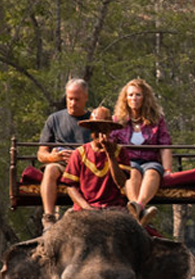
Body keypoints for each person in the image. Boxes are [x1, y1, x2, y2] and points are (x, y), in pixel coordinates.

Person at [110, 78, 172, 223]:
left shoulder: (157, 119)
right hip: (128, 161)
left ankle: (139, 206)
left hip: (150, 160)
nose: (134, 98)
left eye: (138, 94)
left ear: (145, 98)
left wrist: (168, 169)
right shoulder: (117, 120)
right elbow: (111, 145)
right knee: (133, 172)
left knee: (152, 171)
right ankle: (140, 211)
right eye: (130, 95)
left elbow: (165, 145)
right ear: (125, 98)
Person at [37, 79, 94, 229]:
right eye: (70, 98)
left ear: (85, 98)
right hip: (62, 163)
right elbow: (41, 154)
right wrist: (53, 157)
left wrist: (80, 156)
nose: (72, 103)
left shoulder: (93, 120)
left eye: (77, 99)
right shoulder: (54, 119)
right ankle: (49, 217)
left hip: (86, 164)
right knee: (50, 169)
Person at [63, 108, 131, 212]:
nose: (100, 133)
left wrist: (110, 155)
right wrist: (86, 207)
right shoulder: (79, 153)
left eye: (104, 129)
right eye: (96, 129)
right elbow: (70, 187)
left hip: (113, 208)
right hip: (85, 209)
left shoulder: (119, 151)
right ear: (90, 131)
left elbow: (121, 182)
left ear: (110, 131)